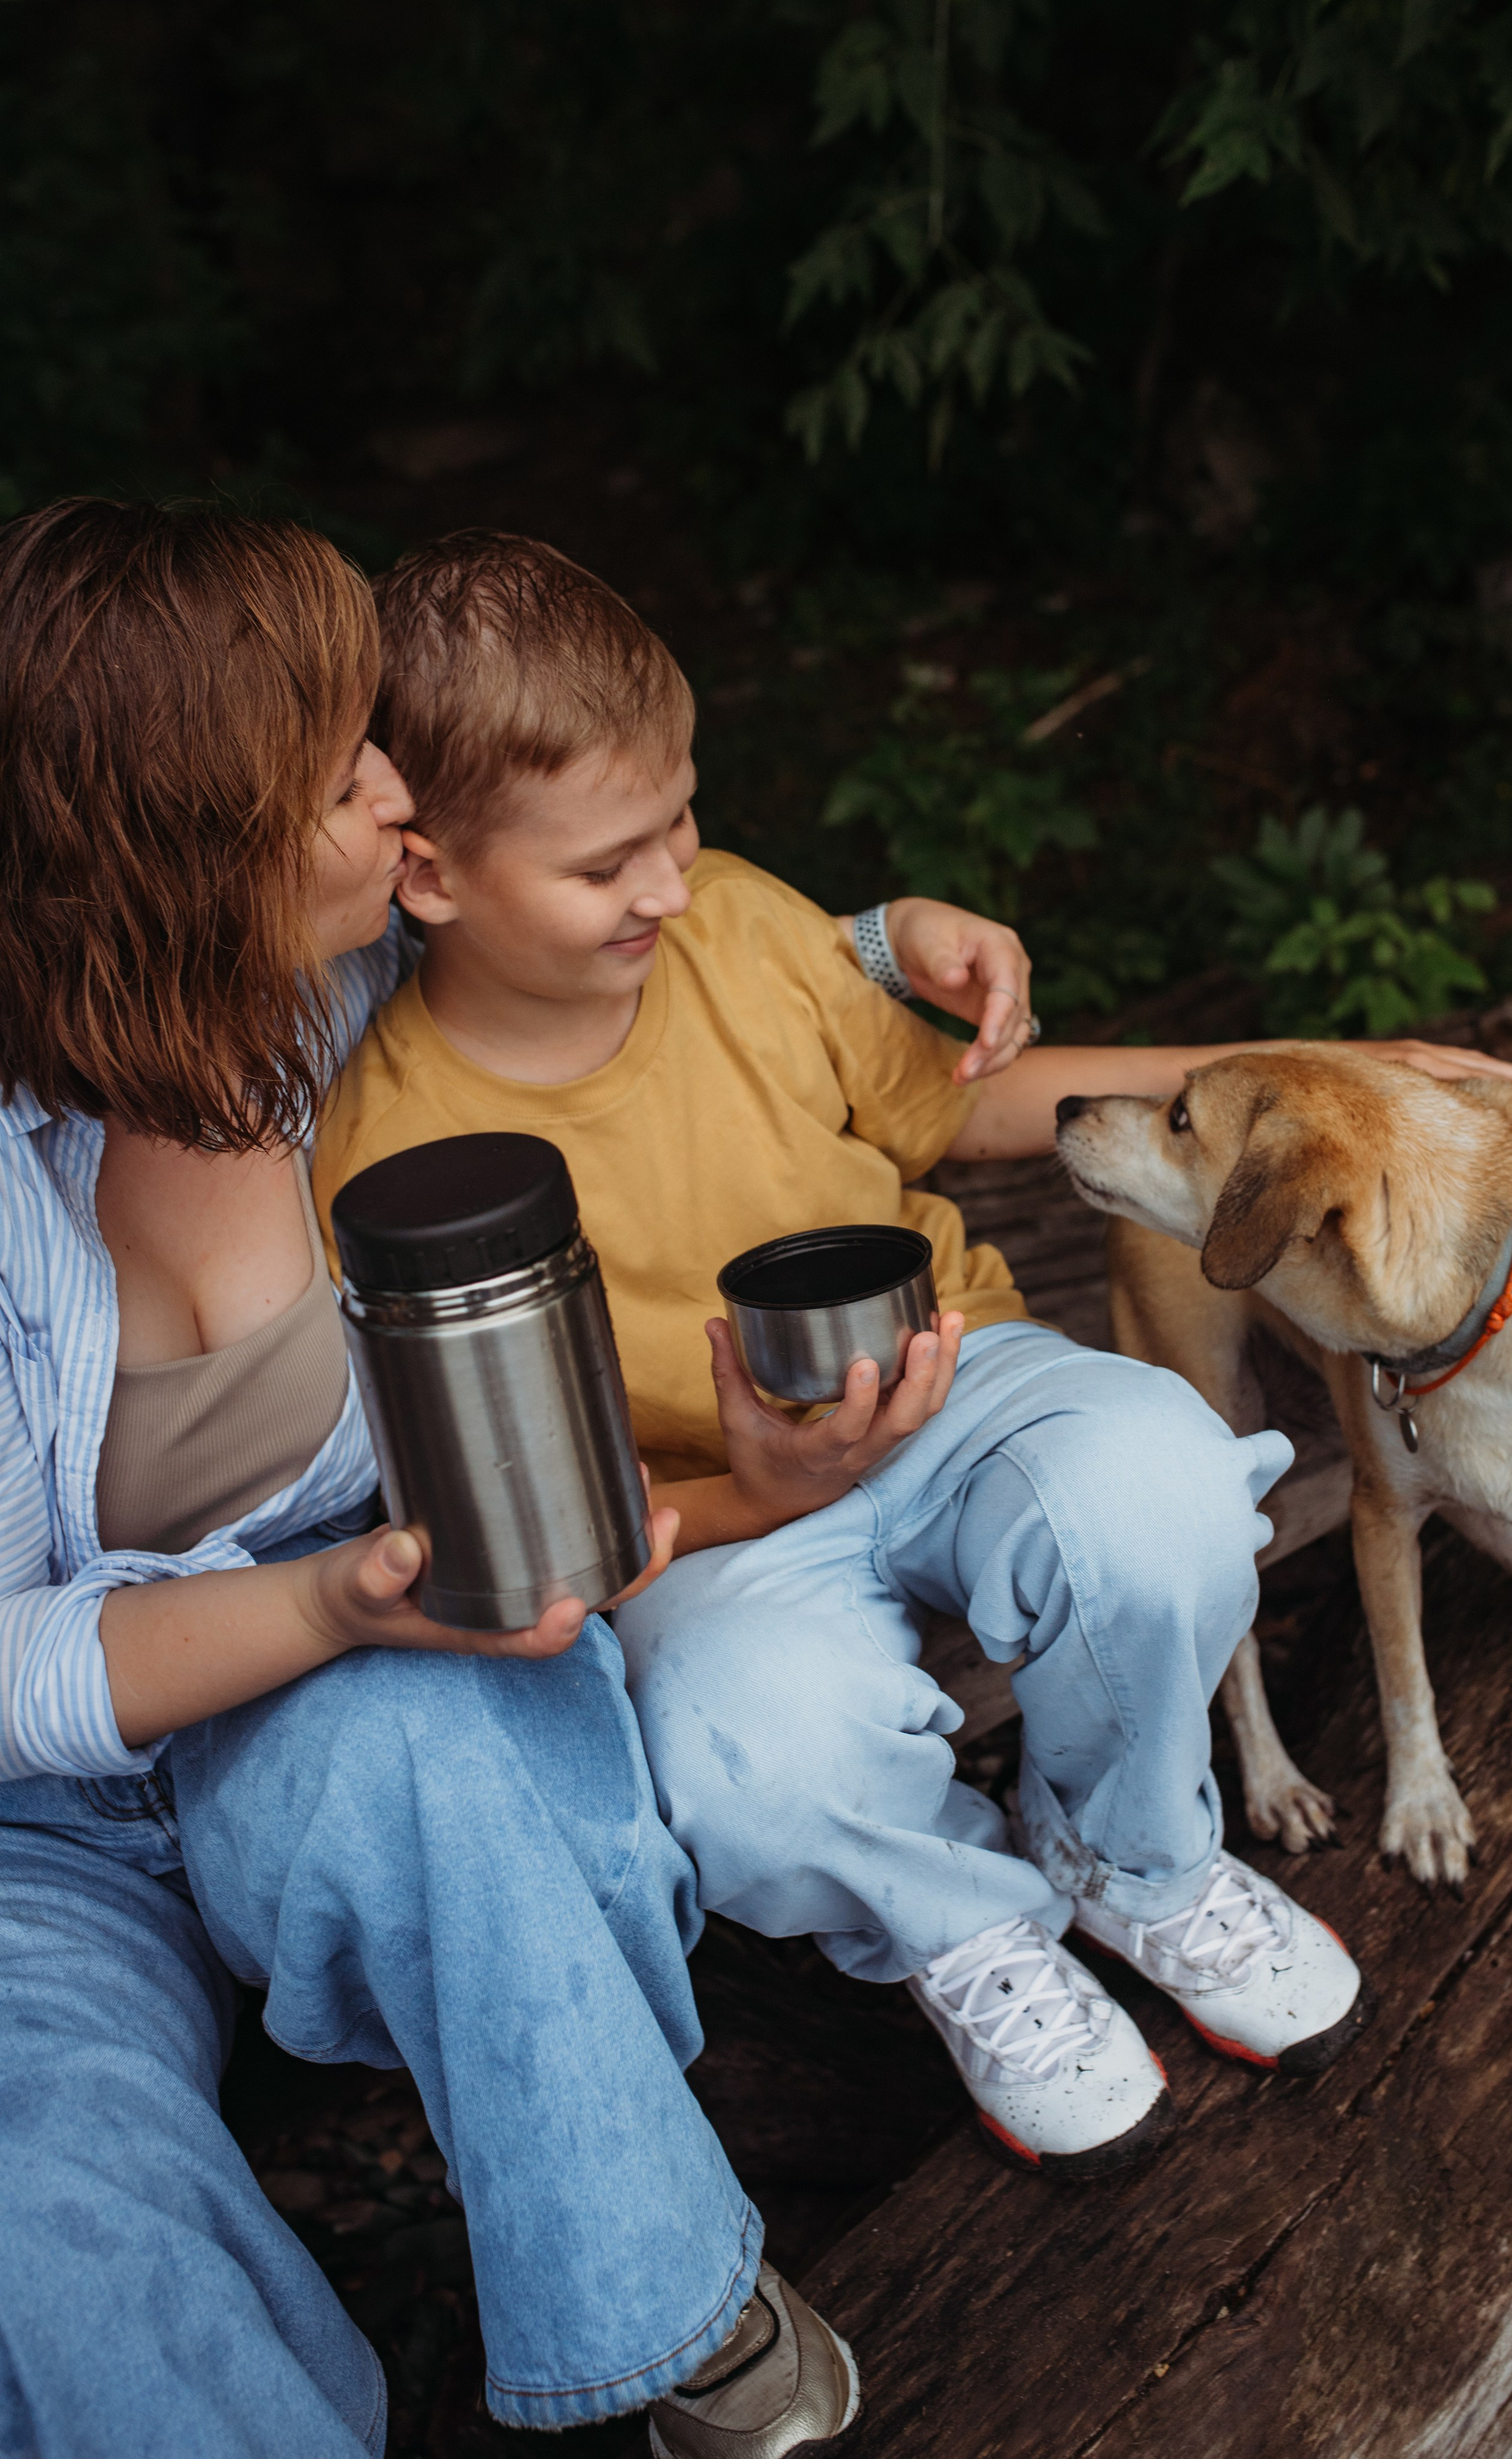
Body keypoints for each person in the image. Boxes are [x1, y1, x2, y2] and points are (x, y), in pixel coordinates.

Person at [315, 529, 1512, 2191]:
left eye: (681, 820)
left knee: (1166, 1491)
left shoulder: (739, 930)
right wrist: (761, 1493)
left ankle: (1134, 1853)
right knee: (749, 1756)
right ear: (433, 874)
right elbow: (544, 1543)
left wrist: (1308, 1066)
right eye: (610, 866)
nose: (670, 885)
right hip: (714, 1506)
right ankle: (968, 1926)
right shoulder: (396, 1152)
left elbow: (955, 1104)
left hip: (961, 1381)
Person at [0, 498, 1030, 2459]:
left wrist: (889, 941)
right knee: (46, 2224)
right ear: (186, 850)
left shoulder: (382, 997)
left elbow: (684, 953)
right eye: (339, 768)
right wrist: (318, 1596)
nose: (401, 791)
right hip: (39, 1832)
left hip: (380, 1684)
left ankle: (667, 2315)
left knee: (433, 1760)